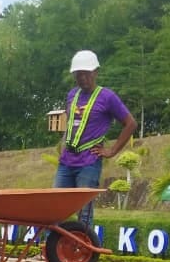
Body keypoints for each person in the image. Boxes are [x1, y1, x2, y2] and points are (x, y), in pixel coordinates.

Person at [55, 50, 137, 227]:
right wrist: (63, 145)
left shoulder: (107, 97)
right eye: (78, 74)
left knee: (84, 213)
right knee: (55, 207)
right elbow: (71, 123)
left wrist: (112, 151)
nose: (82, 78)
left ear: (95, 72)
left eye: (86, 73)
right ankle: (53, 251)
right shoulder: (72, 95)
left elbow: (130, 123)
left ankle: (83, 252)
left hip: (88, 162)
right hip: (66, 160)